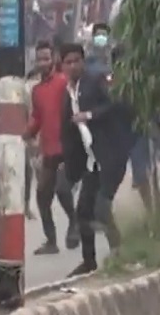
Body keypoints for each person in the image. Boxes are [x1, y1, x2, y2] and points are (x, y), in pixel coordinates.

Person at [60, 42, 129, 276]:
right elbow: (67, 129)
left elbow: (115, 104)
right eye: (67, 63)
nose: (72, 66)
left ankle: (120, 254)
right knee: (83, 212)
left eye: (76, 61)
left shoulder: (95, 81)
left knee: (101, 208)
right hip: (91, 160)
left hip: (111, 155)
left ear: (83, 61)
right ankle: (89, 262)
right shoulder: (68, 92)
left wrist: (88, 115)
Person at [25, 41, 78, 253]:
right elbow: (37, 118)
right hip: (48, 149)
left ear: (54, 58)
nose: (43, 63)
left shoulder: (64, 82)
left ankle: (74, 224)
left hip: (66, 148)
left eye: (46, 58)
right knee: (42, 195)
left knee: (63, 189)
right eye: (39, 59)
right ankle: (51, 241)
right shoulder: (36, 90)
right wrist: (26, 133)